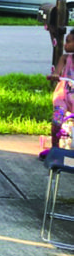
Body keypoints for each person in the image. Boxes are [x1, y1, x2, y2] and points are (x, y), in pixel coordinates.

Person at [43, 29, 74, 159]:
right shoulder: (65, 58)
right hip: (63, 95)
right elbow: (58, 70)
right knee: (57, 119)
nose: (65, 45)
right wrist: (56, 74)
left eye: (68, 42)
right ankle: (54, 147)